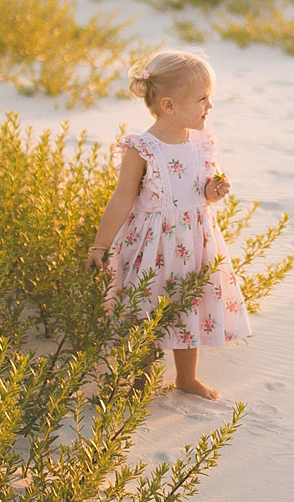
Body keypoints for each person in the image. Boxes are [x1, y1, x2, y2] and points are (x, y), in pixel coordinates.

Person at [88, 48, 250, 400]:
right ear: (169, 106)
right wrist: (100, 245)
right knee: (147, 309)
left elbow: (200, 189)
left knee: (187, 304)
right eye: (202, 99)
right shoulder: (142, 149)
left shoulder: (201, 141)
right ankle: (141, 379)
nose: (209, 107)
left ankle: (186, 378)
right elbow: (122, 199)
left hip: (194, 241)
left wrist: (213, 190)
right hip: (151, 247)